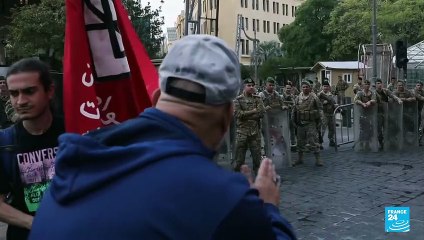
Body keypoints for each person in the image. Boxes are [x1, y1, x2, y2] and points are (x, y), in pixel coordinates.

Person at [29, 35, 297, 240]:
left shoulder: (72, 170)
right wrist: (268, 208)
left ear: (156, 98)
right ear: (228, 115)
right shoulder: (224, 199)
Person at [0, 58, 65, 240]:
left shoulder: (75, 132)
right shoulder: (4, 142)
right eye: (14, 93)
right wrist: (34, 223)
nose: (20, 101)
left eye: (29, 91)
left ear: (49, 90)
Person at [234, 78, 266, 173]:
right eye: (249, 85)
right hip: (242, 132)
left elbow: (261, 113)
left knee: (257, 159)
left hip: (255, 132)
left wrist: (246, 114)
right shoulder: (238, 100)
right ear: (244, 87)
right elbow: (238, 114)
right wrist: (253, 111)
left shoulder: (257, 99)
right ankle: (237, 179)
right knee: (239, 160)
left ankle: (259, 181)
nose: (251, 87)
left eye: (252, 85)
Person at [291, 80, 324, 166]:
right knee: (300, 142)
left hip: (310, 123)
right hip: (300, 123)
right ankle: (300, 158)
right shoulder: (298, 98)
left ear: (310, 88)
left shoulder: (314, 97)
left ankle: (318, 159)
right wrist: (293, 120)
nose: (305, 88)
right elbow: (294, 109)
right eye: (303, 87)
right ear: (301, 88)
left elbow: (320, 108)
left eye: (307, 87)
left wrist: (320, 121)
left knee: (313, 141)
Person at [375, 79, 402, 150]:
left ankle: (391, 140)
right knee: (379, 130)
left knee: (394, 126)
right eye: (378, 83)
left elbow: (392, 95)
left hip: (386, 112)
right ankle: (381, 143)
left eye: (380, 83)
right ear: (375, 85)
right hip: (378, 113)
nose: (379, 85)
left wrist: (398, 99)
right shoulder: (373, 92)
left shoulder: (385, 91)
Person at [354, 80, 377, 150]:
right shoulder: (360, 93)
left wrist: (370, 101)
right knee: (363, 129)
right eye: (365, 84)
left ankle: (367, 143)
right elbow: (356, 100)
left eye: (368, 84)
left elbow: (375, 100)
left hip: (370, 113)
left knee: (370, 129)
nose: (366, 85)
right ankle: (361, 143)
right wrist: (362, 103)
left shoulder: (372, 93)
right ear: (363, 85)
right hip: (362, 113)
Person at [317, 80, 338, 147]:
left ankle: (331, 141)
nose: (325, 87)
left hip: (331, 113)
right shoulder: (319, 94)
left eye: (326, 86)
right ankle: (319, 143)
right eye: (324, 86)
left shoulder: (331, 94)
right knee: (322, 129)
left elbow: (334, 102)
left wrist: (336, 106)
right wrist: (324, 103)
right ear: (322, 87)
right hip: (323, 113)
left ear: (329, 87)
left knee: (332, 128)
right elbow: (317, 103)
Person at [413, 81, 424, 145]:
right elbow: (419, 97)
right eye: (418, 85)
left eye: (420, 85)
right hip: (411, 111)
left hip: (419, 110)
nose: (419, 86)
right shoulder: (414, 91)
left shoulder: (422, 91)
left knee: (419, 124)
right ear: (415, 86)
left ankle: (418, 140)